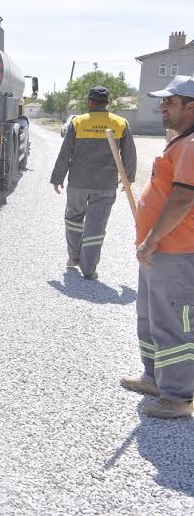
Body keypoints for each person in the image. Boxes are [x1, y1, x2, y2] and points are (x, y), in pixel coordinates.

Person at [121, 75, 194, 419]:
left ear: (191, 107)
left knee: (172, 323)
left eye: (170, 102)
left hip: (175, 251)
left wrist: (150, 240)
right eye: (162, 101)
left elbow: (182, 200)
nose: (161, 106)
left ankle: (178, 396)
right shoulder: (179, 141)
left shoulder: (191, 145)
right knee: (149, 317)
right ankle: (154, 377)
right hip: (158, 251)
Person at [50, 86, 137, 280]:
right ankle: (89, 270)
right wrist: (128, 178)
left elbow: (66, 153)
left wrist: (57, 178)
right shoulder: (120, 123)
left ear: (89, 102)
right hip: (105, 186)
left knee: (73, 220)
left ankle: (74, 258)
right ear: (108, 103)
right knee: (96, 227)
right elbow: (129, 154)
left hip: (77, 184)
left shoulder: (78, 122)